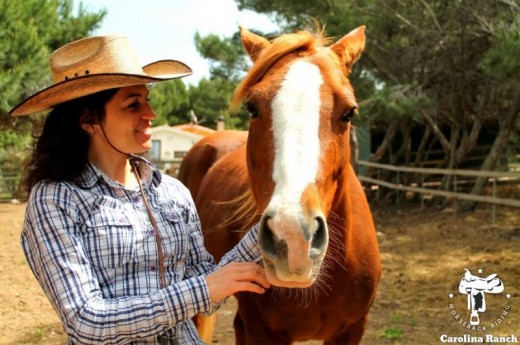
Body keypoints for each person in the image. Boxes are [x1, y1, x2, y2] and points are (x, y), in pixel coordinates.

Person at [10, 35, 270, 344]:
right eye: (133, 104)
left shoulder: (172, 192)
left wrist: (267, 230)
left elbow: (209, 291)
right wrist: (204, 289)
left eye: (147, 100)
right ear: (88, 119)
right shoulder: (56, 200)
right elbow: (87, 321)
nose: (150, 114)